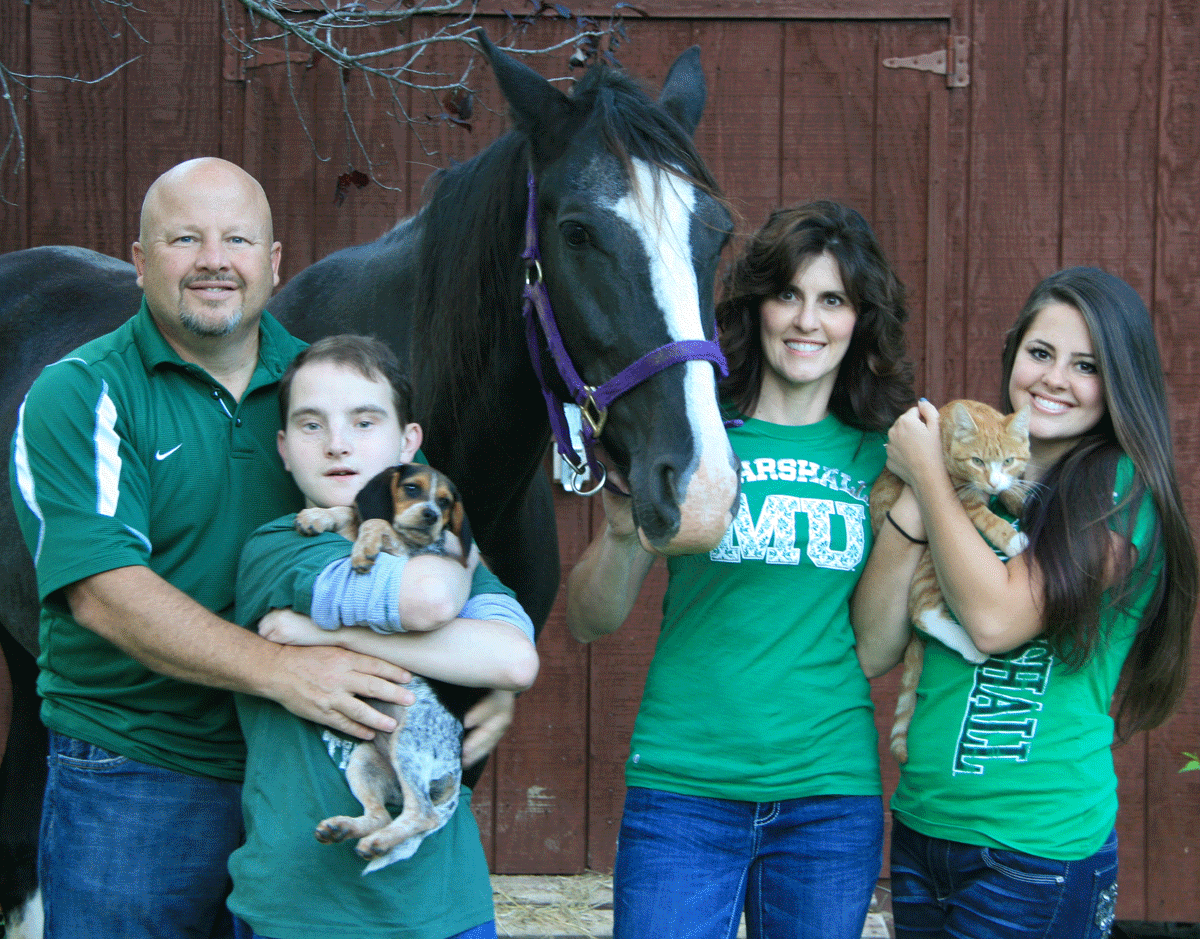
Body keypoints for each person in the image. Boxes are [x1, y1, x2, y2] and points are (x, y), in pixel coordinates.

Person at [9, 158, 413, 939]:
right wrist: (285, 671)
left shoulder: (326, 392)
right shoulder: (81, 392)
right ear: (138, 260)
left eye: (237, 238)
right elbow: (102, 589)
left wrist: (489, 668)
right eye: (184, 238)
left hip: (302, 771)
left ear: (274, 261)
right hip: (134, 777)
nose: (213, 261)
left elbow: (422, 530)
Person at [566, 200, 915, 939]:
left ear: (861, 319)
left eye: (833, 301)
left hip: (827, 797)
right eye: (788, 294)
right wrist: (624, 534)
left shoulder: (884, 458)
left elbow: (877, 645)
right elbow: (587, 620)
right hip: (684, 790)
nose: (807, 321)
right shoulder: (694, 432)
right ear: (757, 305)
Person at [853, 267, 1197, 938]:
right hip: (925, 829)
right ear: (1013, 354)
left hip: (1035, 851)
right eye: (1040, 354)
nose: (1054, 378)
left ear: (1120, 379)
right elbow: (874, 645)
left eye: (1086, 365)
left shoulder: (1122, 491)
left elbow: (995, 620)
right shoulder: (979, 471)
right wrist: (921, 500)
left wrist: (926, 471)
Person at [228, 334, 539, 939]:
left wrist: (318, 635)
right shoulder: (283, 546)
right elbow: (432, 600)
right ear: (284, 450)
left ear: (408, 444)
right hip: (303, 912)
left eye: (364, 422)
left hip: (444, 908)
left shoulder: (443, 545)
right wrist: (456, 596)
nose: (339, 443)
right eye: (311, 425)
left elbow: (514, 661)